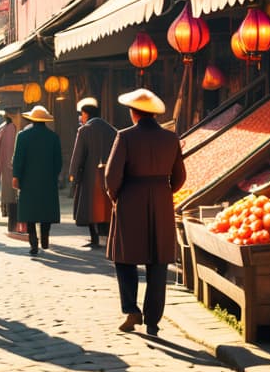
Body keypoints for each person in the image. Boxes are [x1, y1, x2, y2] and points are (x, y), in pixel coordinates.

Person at [105, 89, 186, 336]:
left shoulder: (125, 136)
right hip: (161, 199)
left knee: (124, 257)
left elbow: (111, 176)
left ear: (134, 112)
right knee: (157, 261)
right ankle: (153, 321)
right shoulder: (171, 138)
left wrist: (116, 196)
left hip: (130, 198)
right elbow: (180, 176)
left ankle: (132, 310)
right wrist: (164, 191)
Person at [12, 105, 63, 255]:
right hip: (47, 180)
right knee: (46, 210)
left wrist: (16, 177)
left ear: (32, 119)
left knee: (30, 212)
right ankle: (45, 239)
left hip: (28, 180)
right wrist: (53, 175)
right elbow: (58, 162)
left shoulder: (22, 136)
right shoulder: (53, 137)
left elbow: (18, 160)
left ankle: (33, 244)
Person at [70, 97, 117, 248]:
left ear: (86, 114)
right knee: (107, 208)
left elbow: (78, 155)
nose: (81, 117)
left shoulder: (84, 130)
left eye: (82, 114)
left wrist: (74, 174)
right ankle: (110, 238)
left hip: (90, 176)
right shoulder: (112, 130)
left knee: (90, 207)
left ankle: (94, 238)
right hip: (109, 176)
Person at [0, 107, 21, 229]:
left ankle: (12, 223)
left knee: (10, 195)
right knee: (12, 196)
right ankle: (13, 225)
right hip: (10, 167)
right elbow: (10, 151)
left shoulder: (4, 128)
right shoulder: (11, 129)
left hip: (5, 166)